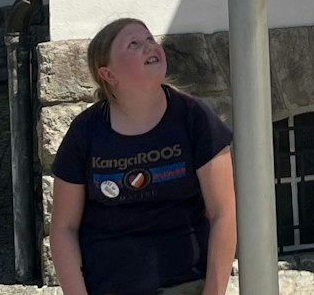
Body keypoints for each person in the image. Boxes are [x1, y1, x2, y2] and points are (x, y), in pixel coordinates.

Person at [48, 18, 236, 295]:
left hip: (184, 285)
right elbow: (63, 228)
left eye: (149, 39)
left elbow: (224, 214)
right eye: (134, 44)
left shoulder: (195, 118)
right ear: (109, 75)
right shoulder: (85, 131)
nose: (149, 46)